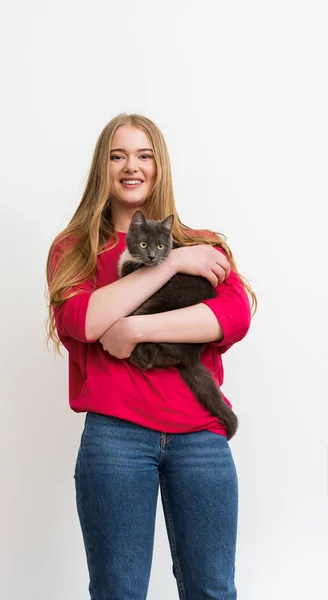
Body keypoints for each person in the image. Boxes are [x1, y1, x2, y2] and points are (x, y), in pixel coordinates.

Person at [46, 113, 257, 600]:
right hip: (115, 436)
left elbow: (232, 319)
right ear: (104, 167)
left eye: (143, 155)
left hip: (200, 436)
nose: (131, 166)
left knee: (213, 591)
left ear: (159, 166)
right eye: (118, 155)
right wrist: (175, 263)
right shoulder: (76, 249)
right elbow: (84, 321)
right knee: (119, 592)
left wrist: (135, 327)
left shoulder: (205, 243)